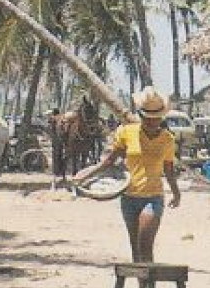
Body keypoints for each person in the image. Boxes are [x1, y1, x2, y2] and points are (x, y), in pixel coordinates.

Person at [75, 87, 182, 267]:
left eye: (155, 119)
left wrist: (176, 193)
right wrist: (85, 176)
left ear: (161, 118)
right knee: (135, 247)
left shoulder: (167, 139)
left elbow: (169, 169)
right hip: (129, 197)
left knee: (145, 244)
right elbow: (109, 161)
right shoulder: (126, 132)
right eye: (147, 118)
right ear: (141, 116)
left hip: (153, 197)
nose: (151, 122)